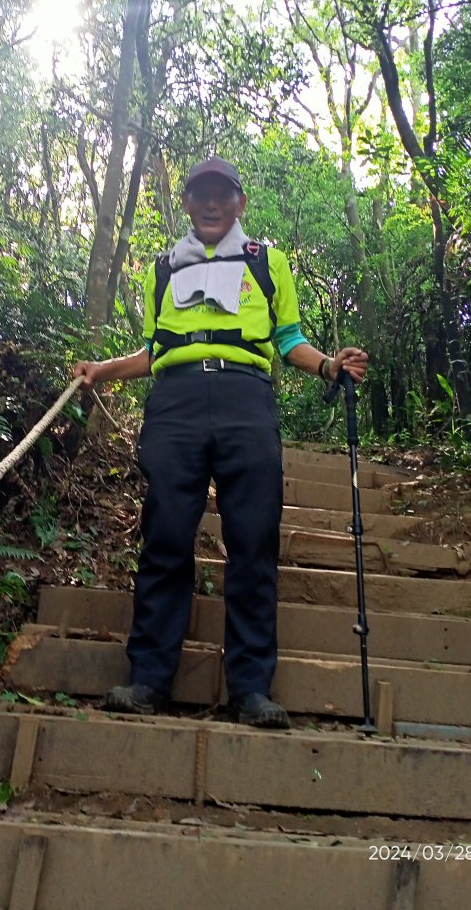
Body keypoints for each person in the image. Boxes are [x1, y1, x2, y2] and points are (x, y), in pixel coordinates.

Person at [74, 156, 368, 729]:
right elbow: (154, 349)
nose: (212, 204)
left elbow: (288, 338)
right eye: (201, 194)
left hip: (245, 400)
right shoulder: (163, 268)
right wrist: (101, 371)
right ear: (187, 203)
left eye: (223, 194)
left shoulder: (266, 262)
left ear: (240, 202)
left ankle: (251, 688)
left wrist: (328, 366)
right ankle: (149, 679)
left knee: (253, 540)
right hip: (176, 403)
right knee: (165, 536)